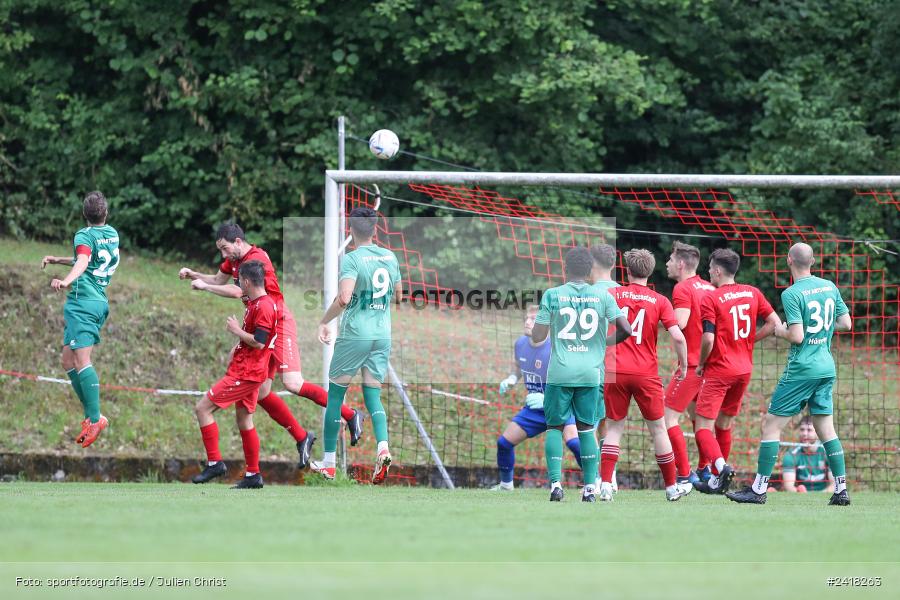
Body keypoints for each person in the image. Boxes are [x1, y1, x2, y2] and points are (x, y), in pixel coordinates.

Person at [180, 223, 364, 468]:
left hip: (278, 322)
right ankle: (302, 437)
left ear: (237, 242)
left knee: (293, 383)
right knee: (263, 393)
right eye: (220, 251)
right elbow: (216, 278)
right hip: (260, 324)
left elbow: (236, 291)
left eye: (225, 249)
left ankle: (350, 414)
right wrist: (194, 275)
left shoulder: (256, 258)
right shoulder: (233, 260)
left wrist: (206, 288)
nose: (224, 255)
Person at [727, 243, 852, 505]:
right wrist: (822, 334)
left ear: (788, 261)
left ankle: (758, 489)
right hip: (826, 366)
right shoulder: (829, 286)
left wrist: (778, 330)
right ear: (813, 261)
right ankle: (841, 490)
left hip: (802, 369)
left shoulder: (792, 293)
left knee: (771, 424)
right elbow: (846, 323)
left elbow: (796, 335)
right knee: (825, 428)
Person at [531, 246, 631, 502]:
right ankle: (589, 488)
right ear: (589, 271)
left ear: (566, 269)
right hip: (590, 373)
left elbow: (538, 336)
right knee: (588, 429)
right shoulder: (603, 296)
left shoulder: (552, 295)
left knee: (554, 427)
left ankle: (555, 485)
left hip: (560, 372)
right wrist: (605, 343)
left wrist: (542, 329)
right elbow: (626, 329)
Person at [311, 207, 402, 484]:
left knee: (335, 396)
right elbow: (399, 298)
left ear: (350, 230)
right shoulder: (391, 257)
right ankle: (383, 447)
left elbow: (344, 298)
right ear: (375, 229)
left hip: (355, 335)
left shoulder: (352, 259)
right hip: (382, 334)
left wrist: (324, 321)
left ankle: (328, 464)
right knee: (373, 394)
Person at [600, 249, 691, 502]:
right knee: (659, 430)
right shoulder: (660, 300)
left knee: (615, 428)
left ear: (627, 270)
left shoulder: (612, 294)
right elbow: (677, 336)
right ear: (650, 271)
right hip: (645, 373)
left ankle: (606, 485)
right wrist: (683, 366)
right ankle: (672, 487)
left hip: (615, 370)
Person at [692, 248, 781, 495]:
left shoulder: (710, 298)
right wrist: (750, 340)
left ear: (718, 270)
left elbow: (708, 339)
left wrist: (700, 363)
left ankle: (720, 469)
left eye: (710, 269)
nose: (709, 272)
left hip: (720, 369)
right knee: (724, 425)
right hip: (744, 370)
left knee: (702, 428)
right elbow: (774, 323)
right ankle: (715, 481)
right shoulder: (753, 292)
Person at [41, 191, 120, 448]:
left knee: (82, 360)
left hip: (83, 303)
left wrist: (66, 280)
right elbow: (86, 259)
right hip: (95, 302)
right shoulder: (111, 234)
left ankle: (96, 419)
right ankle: (91, 416)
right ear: (105, 213)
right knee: (67, 359)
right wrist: (59, 260)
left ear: (84, 215)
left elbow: (84, 260)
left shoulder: (83, 235)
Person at [191, 261, 277, 489]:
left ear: (247, 281)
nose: (238, 285)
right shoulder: (256, 303)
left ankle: (215, 463)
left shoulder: (265, 306)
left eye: (239, 281)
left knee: (203, 409)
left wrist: (236, 330)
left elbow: (259, 342)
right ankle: (253, 475)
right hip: (247, 368)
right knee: (244, 419)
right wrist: (237, 345)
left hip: (247, 373)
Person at [491, 306, 581, 491]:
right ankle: (506, 485)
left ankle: (594, 481)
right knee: (504, 443)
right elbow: (518, 366)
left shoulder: (558, 348)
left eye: (533, 319)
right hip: (534, 409)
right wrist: (512, 379)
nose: (527, 322)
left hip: (559, 405)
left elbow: (571, 382)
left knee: (574, 442)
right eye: (526, 318)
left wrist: (547, 399)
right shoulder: (520, 344)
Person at [664, 242, 716, 485]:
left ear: (681, 264)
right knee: (699, 419)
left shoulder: (682, 288)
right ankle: (705, 468)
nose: (667, 263)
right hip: (710, 366)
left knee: (666, 419)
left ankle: (684, 474)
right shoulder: (709, 287)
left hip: (692, 366)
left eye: (670, 259)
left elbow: (681, 323)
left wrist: (656, 314)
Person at [590, 242, 620, 490]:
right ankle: (611, 476)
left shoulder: (588, 294)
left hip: (595, 368)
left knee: (587, 424)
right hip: (622, 368)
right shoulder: (625, 291)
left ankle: (596, 479)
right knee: (609, 423)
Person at [780, 416, 835, 493]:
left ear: (817, 432)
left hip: (824, 495)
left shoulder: (828, 453)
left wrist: (818, 496)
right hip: (800, 497)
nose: (805, 433)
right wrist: (800, 493)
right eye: (802, 430)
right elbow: (789, 487)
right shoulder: (791, 455)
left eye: (809, 430)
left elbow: (834, 485)